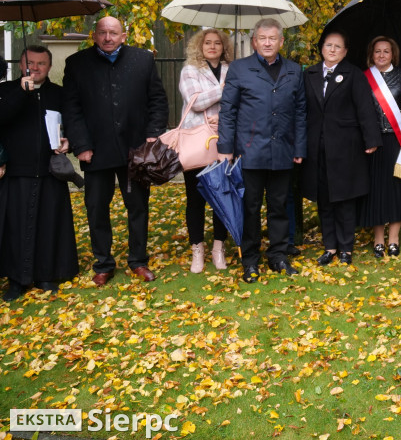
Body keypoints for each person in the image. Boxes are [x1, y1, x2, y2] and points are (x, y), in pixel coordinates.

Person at [64, 16, 169, 286]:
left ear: (124, 35)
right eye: (102, 33)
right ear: (94, 35)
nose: (107, 38)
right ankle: (103, 263)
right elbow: (72, 109)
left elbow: (157, 99)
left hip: (134, 149)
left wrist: (153, 133)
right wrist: (81, 145)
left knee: (137, 207)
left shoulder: (143, 60)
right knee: (97, 208)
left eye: (113, 33)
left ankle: (138, 261)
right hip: (95, 152)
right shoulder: (77, 64)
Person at [217, 18, 307, 283]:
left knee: (279, 206)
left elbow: (301, 112)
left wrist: (299, 146)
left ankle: (278, 255)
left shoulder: (294, 70)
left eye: (273, 38)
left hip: (283, 151)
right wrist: (225, 147)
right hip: (249, 151)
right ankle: (250, 260)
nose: (267, 43)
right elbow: (228, 112)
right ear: (254, 41)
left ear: (281, 42)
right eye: (262, 38)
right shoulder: (239, 68)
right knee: (250, 208)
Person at [0, 47, 79, 300]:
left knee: (49, 226)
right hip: (16, 172)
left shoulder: (58, 93)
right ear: (21, 64)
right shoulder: (6, 91)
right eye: (30, 63)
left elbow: (73, 123)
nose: (35, 68)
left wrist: (70, 142)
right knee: (14, 228)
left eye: (41, 63)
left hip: (49, 172)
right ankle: (16, 280)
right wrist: (22, 93)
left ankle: (46, 275)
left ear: (49, 65)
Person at [303, 32, 381, 266]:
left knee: (345, 199)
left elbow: (365, 109)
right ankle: (330, 247)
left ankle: (346, 248)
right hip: (317, 148)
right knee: (324, 199)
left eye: (338, 46)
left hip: (347, 148)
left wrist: (371, 140)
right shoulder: (309, 74)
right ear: (322, 48)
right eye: (329, 45)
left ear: (345, 51)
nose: (333, 49)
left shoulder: (353, 74)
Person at [178, 28, 233, 273]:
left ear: (224, 47)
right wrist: (224, 88)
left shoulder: (232, 70)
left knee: (222, 196)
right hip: (198, 143)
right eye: (208, 43)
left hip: (225, 141)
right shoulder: (190, 70)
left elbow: (238, 102)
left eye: (217, 43)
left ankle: (218, 248)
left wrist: (221, 115)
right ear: (200, 45)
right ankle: (197, 249)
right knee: (196, 199)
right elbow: (197, 102)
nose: (212, 47)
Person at [361, 36, 401, 256]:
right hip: (374, 143)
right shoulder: (364, 78)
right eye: (377, 51)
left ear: (393, 54)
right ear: (371, 54)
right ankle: (378, 239)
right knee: (376, 191)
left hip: (398, 141)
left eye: (386, 51)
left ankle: (394, 238)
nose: (382, 55)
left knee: (397, 190)